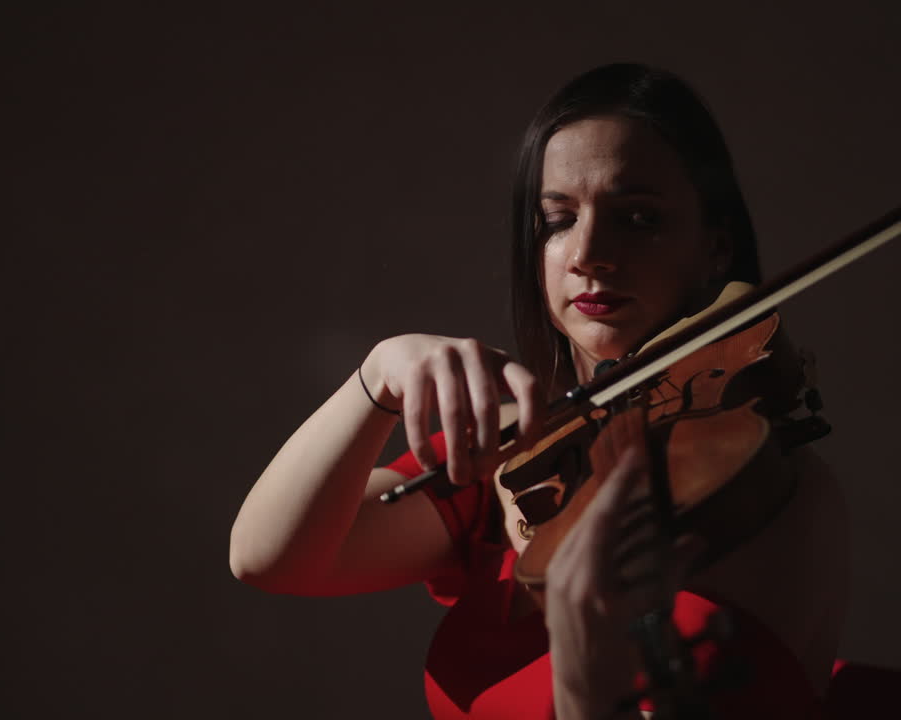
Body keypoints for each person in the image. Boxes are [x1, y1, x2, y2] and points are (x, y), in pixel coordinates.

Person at [229, 63, 849, 719]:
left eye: (637, 218)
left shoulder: (766, 491)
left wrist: (590, 672)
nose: (587, 252)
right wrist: (377, 377)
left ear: (715, 250)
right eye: (558, 219)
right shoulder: (524, 461)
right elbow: (269, 558)